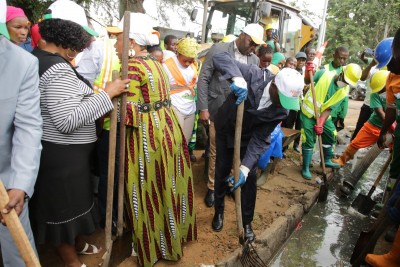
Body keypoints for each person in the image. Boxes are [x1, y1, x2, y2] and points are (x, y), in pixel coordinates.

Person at [29, 17, 129, 267]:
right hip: (62, 156)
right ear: (68, 45)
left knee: (71, 205)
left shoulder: (40, 60)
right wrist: (107, 94)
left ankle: (76, 245)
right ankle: (72, 262)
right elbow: (67, 119)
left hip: (64, 155)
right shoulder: (56, 69)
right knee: (62, 211)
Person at [107, 12, 197, 266]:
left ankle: (152, 247)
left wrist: (110, 99)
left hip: (146, 138)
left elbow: (129, 115)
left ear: (132, 42)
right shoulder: (156, 63)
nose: (116, 45)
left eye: (120, 39)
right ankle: (172, 238)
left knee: (145, 189)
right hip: (168, 129)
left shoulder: (132, 67)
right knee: (167, 185)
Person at [209, 52, 303, 242]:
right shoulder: (252, 74)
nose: (283, 106)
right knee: (221, 170)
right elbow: (218, 57)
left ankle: (247, 222)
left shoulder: (281, 109)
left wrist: (243, 168)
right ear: (274, 85)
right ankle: (218, 211)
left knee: (249, 178)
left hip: (249, 138)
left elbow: (261, 138)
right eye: (282, 98)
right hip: (227, 129)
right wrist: (236, 77)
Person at [197, 23, 261, 208]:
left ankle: (231, 184)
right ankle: (212, 186)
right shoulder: (219, 49)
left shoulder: (254, 60)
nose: (252, 48)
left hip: (240, 116)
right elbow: (204, 78)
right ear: (242, 35)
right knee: (216, 151)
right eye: (251, 42)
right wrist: (203, 107)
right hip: (217, 111)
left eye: (256, 45)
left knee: (237, 151)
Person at [0, 0, 42, 265]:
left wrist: (21, 183)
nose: (24, 32)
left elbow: (28, 126)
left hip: (7, 182)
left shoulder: (22, 63)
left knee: (17, 253)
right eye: (19, 26)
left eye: (27, 27)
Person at [300, 62, 362, 179]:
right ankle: (306, 167)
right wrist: (308, 72)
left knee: (330, 133)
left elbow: (329, 108)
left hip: (323, 114)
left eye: (348, 83)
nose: (345, 83)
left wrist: (321, 123)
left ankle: (327, 159)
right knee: (308, 139)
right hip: (308, 113)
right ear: (341, 73)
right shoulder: (324, 74)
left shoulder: (344, 91)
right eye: (345, 80)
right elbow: (308, 81)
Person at [332, 70, 390, 166]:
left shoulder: (397, 94)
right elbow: (381, 115)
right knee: (355, 143)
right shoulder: (374, 93)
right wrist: (384, 132)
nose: (379, 91)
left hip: (393, 128)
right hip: (373, 125)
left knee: (395, 151)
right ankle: (342, 160)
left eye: (382, 89)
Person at [163, 37, 199, 143]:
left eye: (190, 60)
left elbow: (194, 83)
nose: (188, 63)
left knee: (185, 143)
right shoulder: (167, 66)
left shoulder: (194, 65)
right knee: (175, 143)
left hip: (190, 108)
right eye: (185, 60)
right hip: (175, 107)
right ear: (178, 53)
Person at [319, 47, 350, 131]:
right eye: (340, 58)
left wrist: (342, 114)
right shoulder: (324, 69)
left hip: (336, 111)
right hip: (323, 110)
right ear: (334, 56)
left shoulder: (346, 72)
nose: (342, 61)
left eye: (344, 59)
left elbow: (345, 94)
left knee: (331, 136)